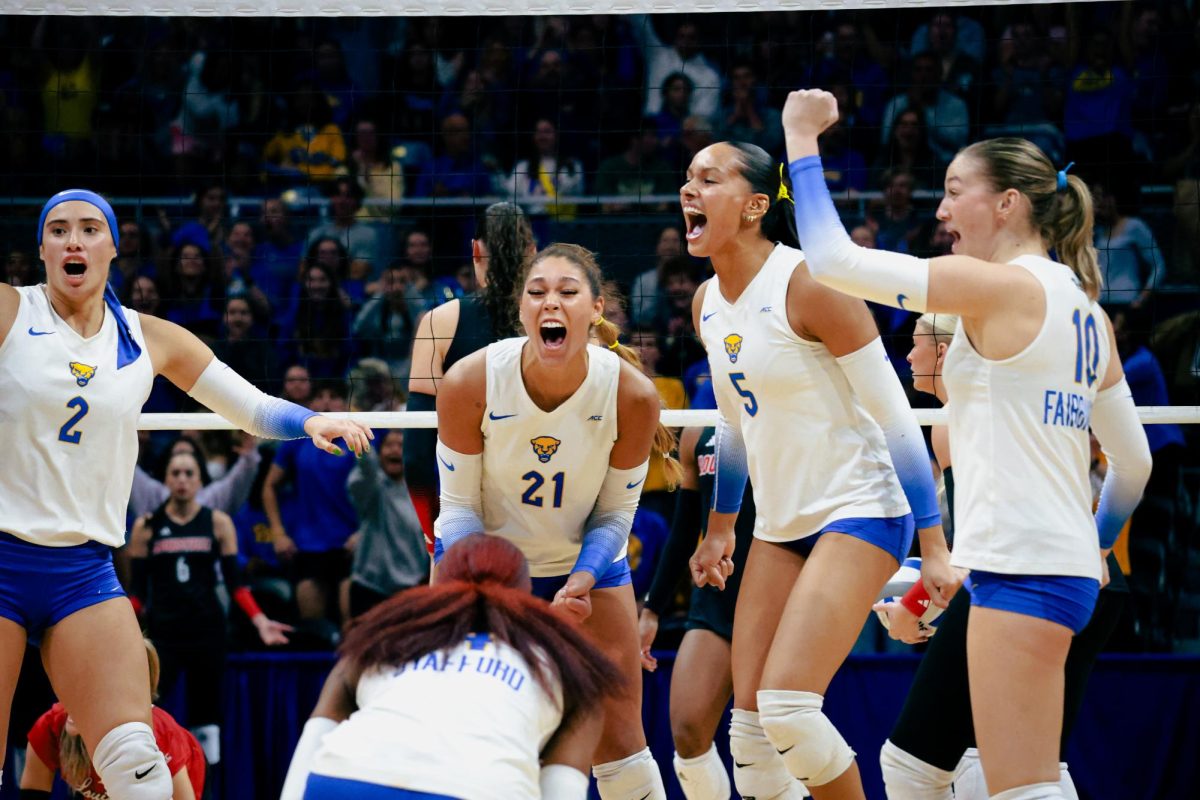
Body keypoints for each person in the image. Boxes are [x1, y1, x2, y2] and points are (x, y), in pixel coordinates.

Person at [782, 89, 1153, 800]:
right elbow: (1132, 462)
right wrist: (1092, 543)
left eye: (956, 191)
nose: (942, 209)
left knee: (1016, 787)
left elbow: (830, 259)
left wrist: (801, 136)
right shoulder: (1086, 310)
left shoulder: (1001, 291)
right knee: (1007, 778)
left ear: (1008, 203)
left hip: (1025, 566)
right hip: (1052, 567)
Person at [0, 188, 370, 799]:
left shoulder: (148, 337)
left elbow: (248, 406)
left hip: (83, 572)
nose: (73, 240)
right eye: (58, 230)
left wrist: (309, 422)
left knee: (139, 772)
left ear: (112, 248)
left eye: (89, 229)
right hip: (4, 557)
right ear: (40, 249)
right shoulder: (13, 312)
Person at [683, 141, 948, 800]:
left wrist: (934, 545)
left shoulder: (809, 283)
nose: (688, 190)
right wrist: (720, 529)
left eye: (708, 179)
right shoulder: (706, 303)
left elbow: (895, 417)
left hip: (860, 508)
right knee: (748, 739)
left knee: (789, 710)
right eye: (687, 178)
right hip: (777, 524)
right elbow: (732, 426)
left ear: (752, 206)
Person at [434, 242, 680, 800]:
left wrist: (586, 575)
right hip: (485, 565)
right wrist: (495, 589)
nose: (551, 303)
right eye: (537, 292)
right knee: (469, 738)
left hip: (588, 568)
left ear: (596, 309)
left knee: (622, 745)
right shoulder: (469, 382)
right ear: (519, 311)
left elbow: (616, 514)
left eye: (568, 292)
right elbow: (457, 511)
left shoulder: (633, 393)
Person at [875, 312, 1131, 799]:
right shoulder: (1019, 400)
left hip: (1030, 578)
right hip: (1097, 581)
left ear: (947, 353)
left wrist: (915, 614)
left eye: (916, 345)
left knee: (915, 763)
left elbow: (976, 550)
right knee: (1030, 767)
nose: (907, 356)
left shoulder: (956, 422)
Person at [279, 534, 623, 800]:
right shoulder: (567, 666)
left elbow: (312, 744)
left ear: (439, 587)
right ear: (525, 595)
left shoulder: (383, 643)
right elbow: (561, 790)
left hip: (341, 780)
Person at [639, 386, 807, 800]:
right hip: (717, 593)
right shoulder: (697, 428)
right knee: (687, 729)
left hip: (778, 592)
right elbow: (683, 530)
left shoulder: (791, 404)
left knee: (770, 741)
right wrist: (652, 609)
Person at [128, 449, 292, 772]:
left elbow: (236, 584)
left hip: (207, 633)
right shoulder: (147, 526)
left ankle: (209, 786)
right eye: (176, 473)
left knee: (208, 720)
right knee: (150, 713)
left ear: (200, 480)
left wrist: (260, 621)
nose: (182, 480)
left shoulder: (218, 523)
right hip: (164, 636)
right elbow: (137, 594)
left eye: (189, 473)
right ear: (165, 480)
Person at [404, 202, 534, 552]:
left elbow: (416, 452)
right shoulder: (558, 325)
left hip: (465, 518)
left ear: (476, 250)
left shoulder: (440, 322)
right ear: (534, 252)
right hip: (549, 510)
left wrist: (432, 530)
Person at [21, 639, 206, 800]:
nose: (76, 701)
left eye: (92, 694)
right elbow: (33, 793)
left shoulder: (159, 734)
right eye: (75, 687)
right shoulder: (51, 725)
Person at [346, 429, 430, 618]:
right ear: (379, 451)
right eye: (389, 445)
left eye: (401, 445)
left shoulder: (423, 490)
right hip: (370, 589)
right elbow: (367, 468)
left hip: (412, 590)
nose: (395, 450)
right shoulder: (371, 488)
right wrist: (360, 434)